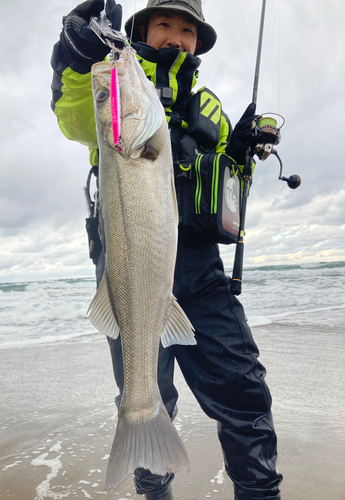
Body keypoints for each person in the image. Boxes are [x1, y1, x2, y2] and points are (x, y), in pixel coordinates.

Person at [50, 1, 283, 499]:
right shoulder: (114, 87)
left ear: (198, 40)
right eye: (164, 24)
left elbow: (229, 192)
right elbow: (74, 118)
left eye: (187, 29)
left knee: (244, 394)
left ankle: (261, 493)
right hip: (130, 276)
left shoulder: (211, 108)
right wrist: (72, 61)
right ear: (141, 29)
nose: (176, 37)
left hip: (201, 273)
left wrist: (242, 154)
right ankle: (153, 484)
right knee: (146, 398)